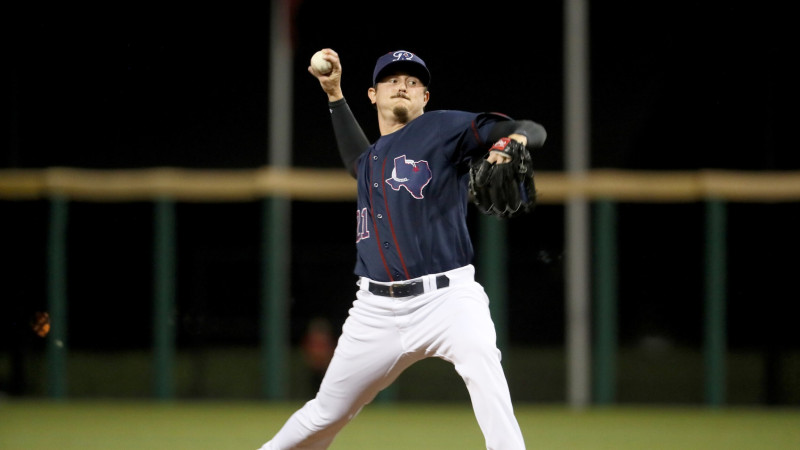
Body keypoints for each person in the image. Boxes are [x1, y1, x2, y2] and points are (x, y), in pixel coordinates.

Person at [257, 48, 546, 450]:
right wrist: (334, 94)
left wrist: (512, 140)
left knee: (485, 372)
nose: (403, 87)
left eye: (413, 82)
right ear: (373, 95)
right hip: (375, 311)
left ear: (425, 99)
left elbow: (529, 127)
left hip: (448, 299)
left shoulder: (443, 128)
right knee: (326, 413)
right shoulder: (371, 160)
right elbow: (356, 160)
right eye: (392, 80)